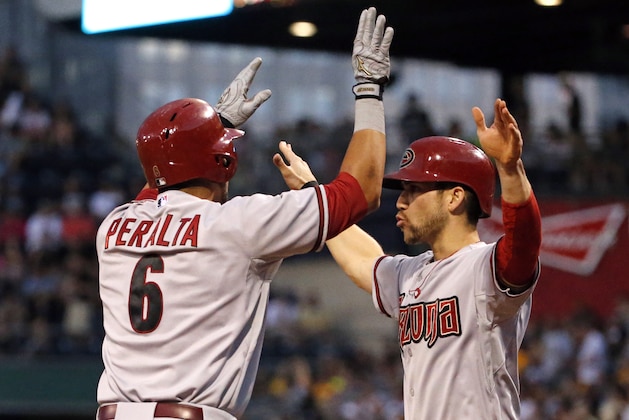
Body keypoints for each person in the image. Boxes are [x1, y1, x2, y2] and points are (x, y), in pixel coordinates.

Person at [94, 7, 393, 420]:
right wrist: (369, 88)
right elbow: (363, 189)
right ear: (223, 163)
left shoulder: (113, 227)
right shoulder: (238, 223)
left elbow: (159, 186)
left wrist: (209, 129)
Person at [277, 98, 542, 419]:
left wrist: (510, 169)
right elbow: (363, 260)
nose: (401, 202)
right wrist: (313, 194)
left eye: (414, 189)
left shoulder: (485, 268)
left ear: (455, 197)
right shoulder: (411, 272)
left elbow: (524, 242)